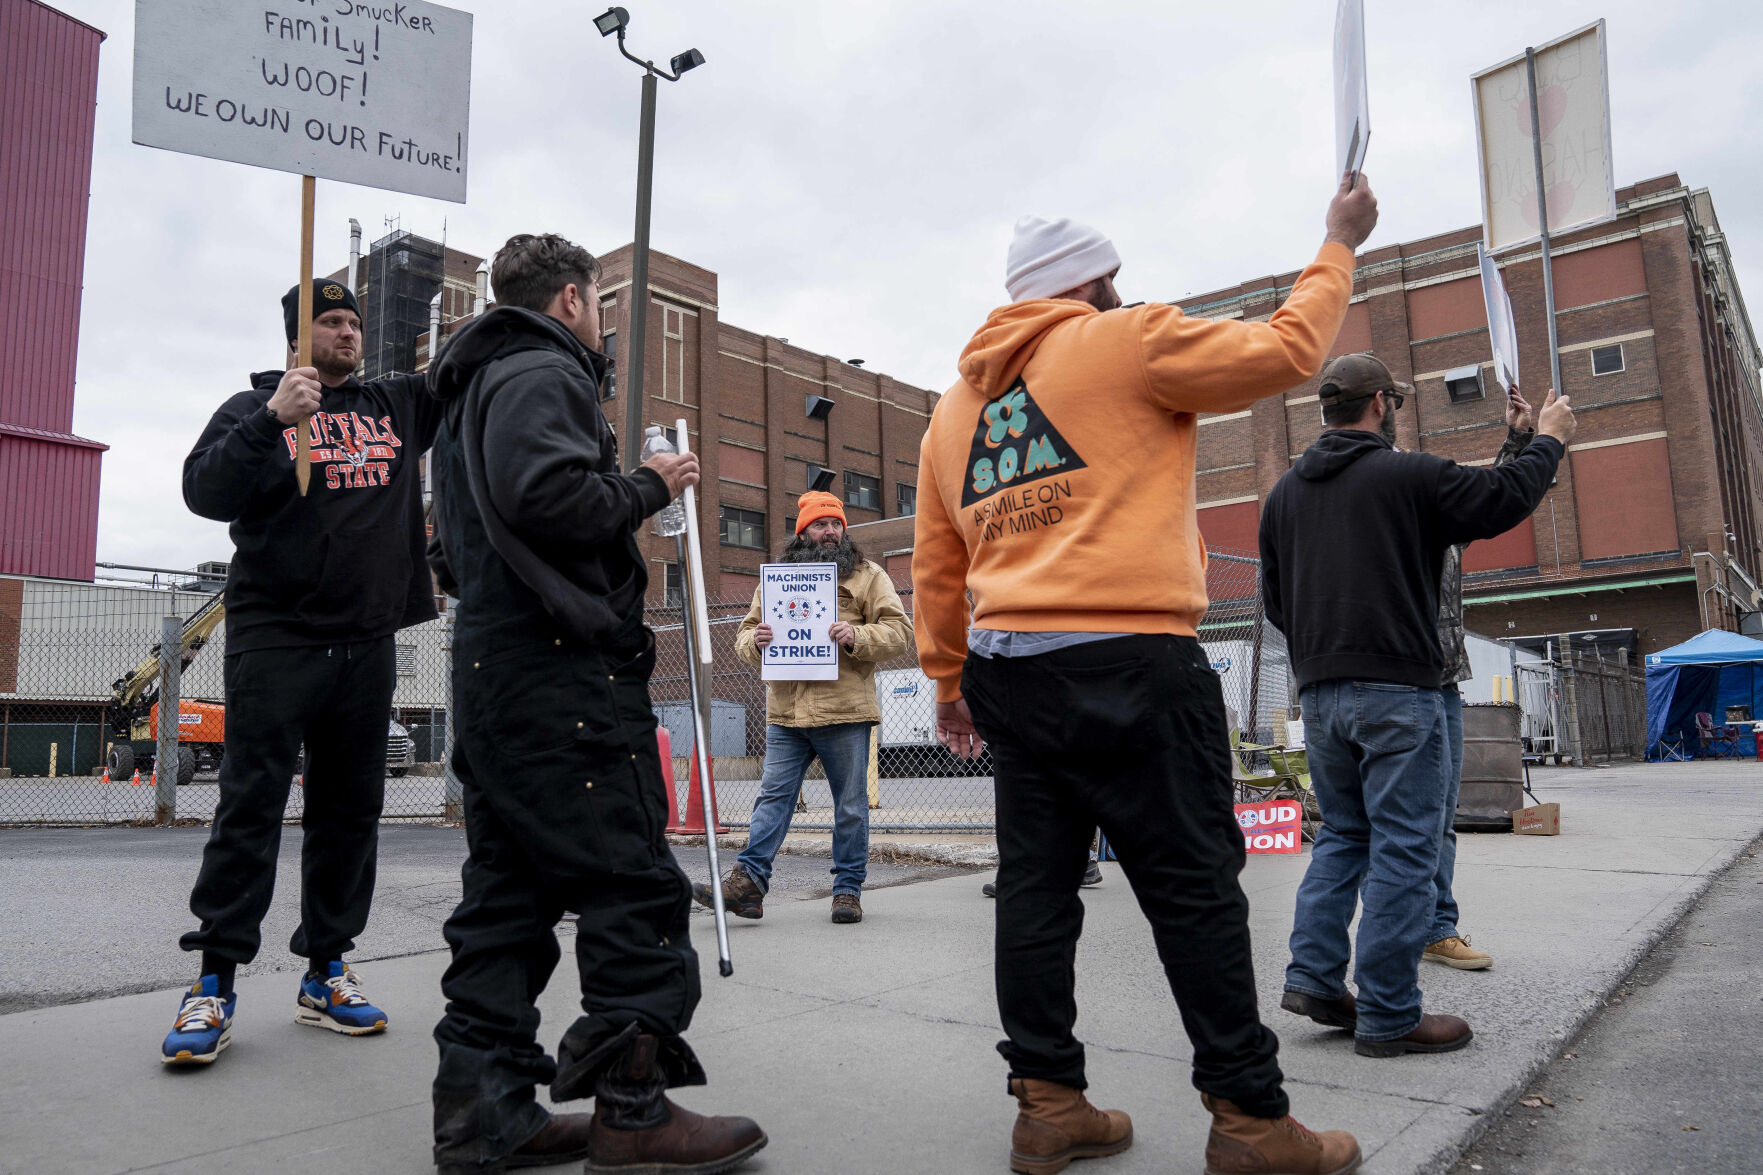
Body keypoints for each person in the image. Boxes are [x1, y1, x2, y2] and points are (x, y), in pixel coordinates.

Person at [913, 175, 1379, 1175]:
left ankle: (1046, 1102)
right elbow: (1288, 349)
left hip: (1008, 672)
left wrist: (947, 682)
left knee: (1036, 891)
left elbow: (936, 563)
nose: (1123, 292)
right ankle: (1249, 1121)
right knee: (1192, 886)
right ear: (1091, 284)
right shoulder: (1127, 339)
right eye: (1113, 280)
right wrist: (1336, 242)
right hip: (1130, 659)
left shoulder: (953, 411)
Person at [425, 233, 765, 1175]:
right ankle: (631, 1108)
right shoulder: (540, 369)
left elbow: (449, 549)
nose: (599, 322)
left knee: (508, 894)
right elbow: (549, 495)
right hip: (563, 669)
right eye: (597, 307)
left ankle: (483, 1112)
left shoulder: (461, 398)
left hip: (495, 666)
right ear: (572, 298)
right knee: (629, 883)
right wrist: (650, 484)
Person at [1259, 353, 1573, 1059]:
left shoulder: (1282, 496)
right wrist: (1549, 438)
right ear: (1380, 404)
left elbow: (1276, 603)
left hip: (1322, 693)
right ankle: (1389, 1013)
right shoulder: (1408, 475)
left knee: (1343, 836)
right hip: (1402, 692)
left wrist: (1325, 656)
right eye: (1393, 398)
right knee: (1407, 845)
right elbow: (1498, 500)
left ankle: (1312, 978)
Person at [164, 280, 443, 1067]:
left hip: (366, 642)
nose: (349, 332)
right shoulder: (251, 407)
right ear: (297, 338)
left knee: (348, 814)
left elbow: (468, 374)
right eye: (331, 322)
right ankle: (214, 980)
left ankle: (325, 969)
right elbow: (202, 491)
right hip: (276, 641)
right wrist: (272, 419)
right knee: (249, 808)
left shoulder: (395, 405)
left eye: (355, 321)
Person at [694, 492, 911, 924]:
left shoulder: (869, 576)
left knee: (850, 805)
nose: (830, 531)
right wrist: (754, 644)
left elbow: (900, 632)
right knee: (773, 798)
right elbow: (745, 633)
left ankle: (847, 891)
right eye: (820, 525)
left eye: (836, 524)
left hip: (844, 712)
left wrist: (856, 635)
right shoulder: (775, 581)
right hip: (787, 712)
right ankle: (749, 885)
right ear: (803, 533)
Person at [1425, 387, 1536, 973]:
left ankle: (1433, 927)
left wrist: (1519, 439)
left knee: (1439, 815)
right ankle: (1401, 931)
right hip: (1397, 680)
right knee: (1375, 823)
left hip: (1440, 680)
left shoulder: (1444, 526)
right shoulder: (1387, 513)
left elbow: (1494, 496)